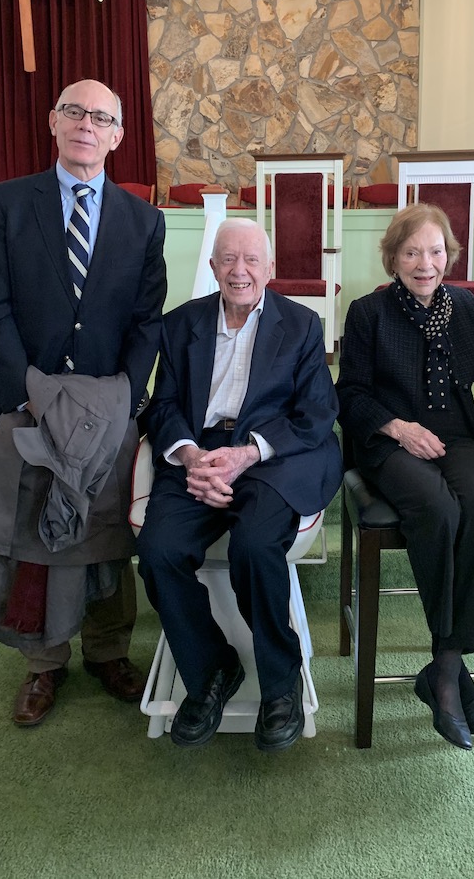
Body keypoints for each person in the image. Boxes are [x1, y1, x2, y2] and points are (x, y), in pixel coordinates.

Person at [0, 78, 167, 728]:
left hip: (108, 405)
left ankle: (109, 651)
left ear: (118, 136)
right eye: (74, 111)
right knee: (33, 534)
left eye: (101, 117)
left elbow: (147, 319)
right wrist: (29, 388)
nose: (86, 124)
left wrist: (124, 395)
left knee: (106, 531)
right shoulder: (5, 203)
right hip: (28, 399)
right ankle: (43, 663)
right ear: (53, 122)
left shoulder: (144, 220)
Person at [137, 219, 342, 753]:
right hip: (200, 452)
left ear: (270, 268)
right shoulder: (180, 324)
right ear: (213, 267)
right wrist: (192, 457)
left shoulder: (301, 324)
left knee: (253, 543)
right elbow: (163, 405)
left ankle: (280, 683)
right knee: (158, 551)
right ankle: (210, 669)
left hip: (270, 455)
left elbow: (317, 413)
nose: (240, 271)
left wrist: (247, 453)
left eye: (251, 260)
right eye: (228, 259)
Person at [336, 204, 474, 751]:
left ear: (450, 255)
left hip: (457, 437)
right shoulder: (368, 312)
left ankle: (444, 664)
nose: (426, 263)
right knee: (438, 508)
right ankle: (450, 675)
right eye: (412, 252)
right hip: (391, 441)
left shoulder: (464, 306)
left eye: (436, 251)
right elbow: (350, 394)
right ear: (393, 257)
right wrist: (398, 428)